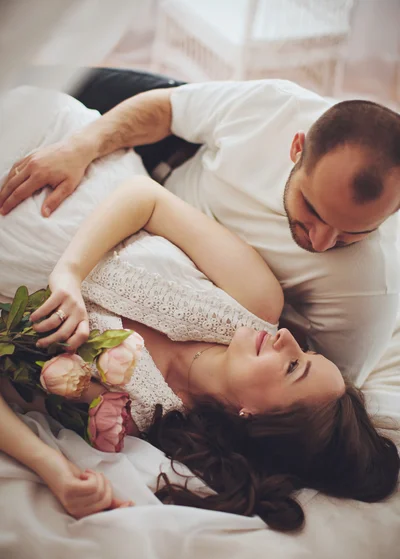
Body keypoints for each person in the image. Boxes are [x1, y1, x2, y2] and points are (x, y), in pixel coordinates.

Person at [2, 174, 397, 533]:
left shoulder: (128, 414)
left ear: (258, 418)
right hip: (51, 190)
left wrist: (52, 468)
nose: (286, 339)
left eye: (294, 367)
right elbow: (146, 197)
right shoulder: (256, 301)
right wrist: (69, 271)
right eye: (305, 351)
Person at [1, 69, 399, 388]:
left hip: (172, 253)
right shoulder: (274, 107)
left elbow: (323, 400)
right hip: (164, 154)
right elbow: (167, 111)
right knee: (48, 78)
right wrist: (83, 146)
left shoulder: (368, 291)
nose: (322, 242)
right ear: (296, 149)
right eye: (312, 210)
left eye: (353, 233)